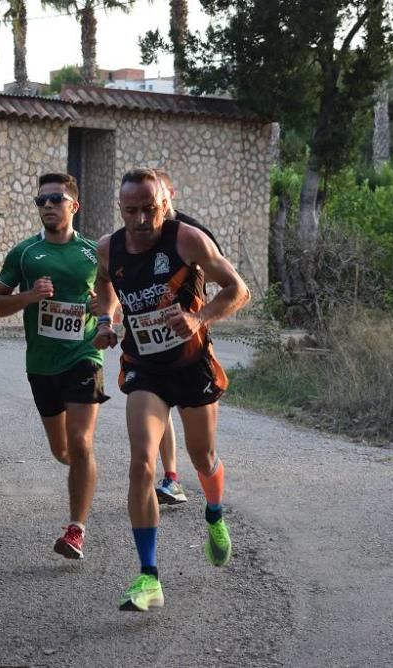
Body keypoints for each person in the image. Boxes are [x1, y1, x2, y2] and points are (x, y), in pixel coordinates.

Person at [93, 168, 251, 611]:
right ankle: (148, 577)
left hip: (190, 365)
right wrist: (106, 322)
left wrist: (200, 319)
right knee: (142, 463)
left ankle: (215, 512)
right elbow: (104, 285)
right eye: (131, 211)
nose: (142, 219)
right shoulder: (108, 248)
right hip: (146, 367)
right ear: (120, 209)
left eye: (150, 209)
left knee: (202, 457)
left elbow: (238, 289)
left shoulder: (188, 241)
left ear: (166, 202)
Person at [0, 172, 107, 561]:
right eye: (41, 201)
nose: (48, 206)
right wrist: (29, 296)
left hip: (84, 356)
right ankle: (83, 472)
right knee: (62, 451)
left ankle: (76, 530)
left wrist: (101, 311)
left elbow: (112, 298)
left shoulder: (93, 253)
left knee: (80, 441)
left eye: (56, 199)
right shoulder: (23, 253)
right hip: (41, 364)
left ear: (74, 205)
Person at [151, 169, 224, 507]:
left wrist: (196, 316)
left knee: (203, 453)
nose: (150, 207)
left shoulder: (193, 234)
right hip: (149, 349)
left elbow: (223, 280)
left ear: (170, 195)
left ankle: (213, 505)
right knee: (155, 408)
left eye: (157, 198)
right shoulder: (136, 237)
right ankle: (169, 477)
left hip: (190, 344)